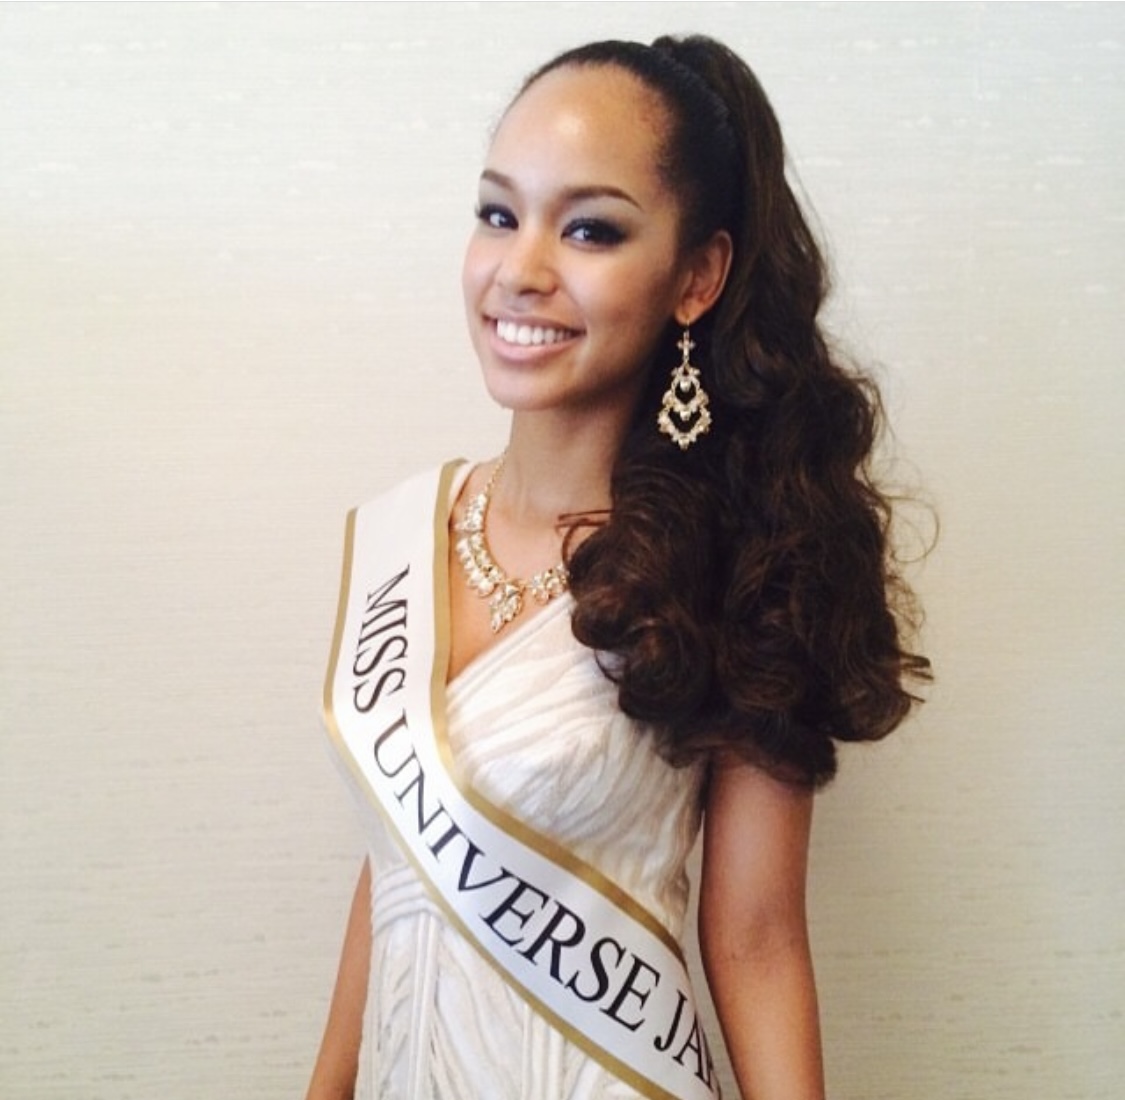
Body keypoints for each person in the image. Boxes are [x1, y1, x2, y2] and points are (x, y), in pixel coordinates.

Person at [308, 34, 929, 1100]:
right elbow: (408, 855)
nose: (521, 268)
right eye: (499, 212)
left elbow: (758, 937)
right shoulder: (401, 531)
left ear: (698, 276)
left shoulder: (738, 562)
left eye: (589, 227)